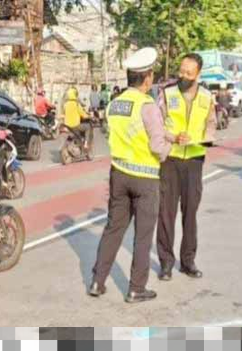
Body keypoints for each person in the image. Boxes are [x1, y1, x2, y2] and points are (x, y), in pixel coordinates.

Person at [89, 47, 173, 303]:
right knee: (143, 235)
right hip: (145, 178)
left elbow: (115, 133)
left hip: (119, 173)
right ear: (147, 77)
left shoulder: (114, 104)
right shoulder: (148, 106)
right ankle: (136, 288)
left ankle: (97, 281)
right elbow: (157, 148)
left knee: (113, 228)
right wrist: (170, 145)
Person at [156, 53, 217, 281]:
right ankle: (166, 263)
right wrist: (172, 137)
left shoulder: (207, 97)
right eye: (181, 70)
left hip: (194, 160)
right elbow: (157, 124)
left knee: (190, 213)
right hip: (170, 160)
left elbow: (211, 124)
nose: (183, 76)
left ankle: (188, 261)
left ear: (198, 74)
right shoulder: (167, 93)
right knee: (166, 213)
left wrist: (206, 139)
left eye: (189, 73)